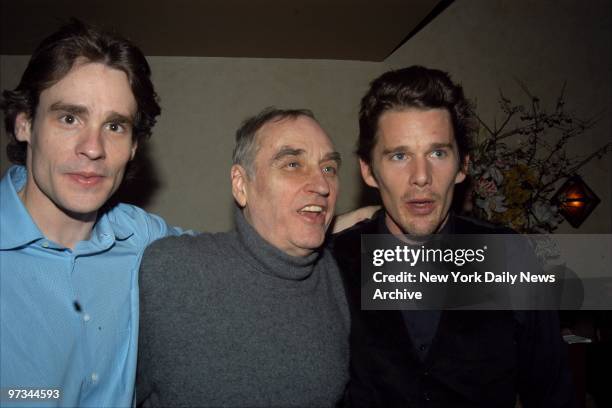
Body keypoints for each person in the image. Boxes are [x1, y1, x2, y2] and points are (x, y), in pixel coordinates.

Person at [331, 66, 576, 407]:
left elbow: (553, 393)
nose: (421, 176)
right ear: (369, 171)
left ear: (463, 167)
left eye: (437, 153)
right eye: (399, 156)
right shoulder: (335, 263)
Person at [0, 20, 181, 407]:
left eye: (115, 126)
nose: (93, 148)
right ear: (24, 124)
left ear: (133, 147)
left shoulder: (140, 236)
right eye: (69, 118)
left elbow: (249, 251)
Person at [137, 107, 349, 407]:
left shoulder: (344, 274)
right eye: (292, 164)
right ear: (241, 185)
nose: (322, 185)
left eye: (329, 168)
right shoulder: (173, 271)